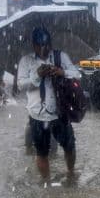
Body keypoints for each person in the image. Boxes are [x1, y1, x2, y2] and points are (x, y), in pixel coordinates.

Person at [17, 26, 81, 184]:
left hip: (60, 112)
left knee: (69, 146)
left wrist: (62, 72)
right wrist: (37, 76)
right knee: (42, 152)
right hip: (37, 115)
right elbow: (20, 86)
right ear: (33, 44)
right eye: (39, 45)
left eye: (46, 44)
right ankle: (46, 183)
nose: (43, 49)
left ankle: (71, 173)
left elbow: (77, 74)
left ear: (50, 43)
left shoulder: (61, 57)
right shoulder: (26, 61)